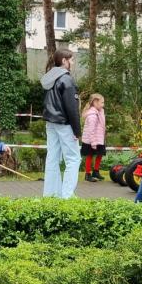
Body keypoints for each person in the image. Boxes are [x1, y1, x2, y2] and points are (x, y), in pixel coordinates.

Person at [41, 49, 82, 198]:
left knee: (52, 157)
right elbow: (72, 108)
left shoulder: (49, 78)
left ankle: (51, 194)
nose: (73, 62)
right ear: (64, 61)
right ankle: (67, 195)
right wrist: (77, 131)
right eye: (71, 60)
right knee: (73, 158)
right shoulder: (66, 79)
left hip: (50, 122)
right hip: (64, 123)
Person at [81, 93, 107, 182]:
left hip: (99, 138)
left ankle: (96, 172)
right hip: (91, 140)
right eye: (102, 102)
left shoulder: (100, 112)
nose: (103, 105)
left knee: (100, 154)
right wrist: (93, 142)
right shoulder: (92, 115)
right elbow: (91, 131)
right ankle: (87, 174)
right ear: (95, 102)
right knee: (90, 155)